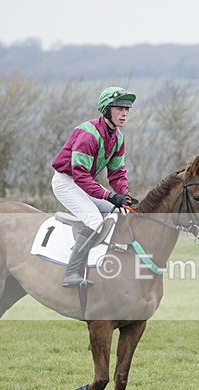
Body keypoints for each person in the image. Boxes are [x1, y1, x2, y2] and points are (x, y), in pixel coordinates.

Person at [51, 86, 138, 287]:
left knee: (122, 211)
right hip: (66, 182)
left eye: (127, 109)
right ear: (106, 109)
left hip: (85, 184)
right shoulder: (88, 134)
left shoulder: (118, 138)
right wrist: (109, 195)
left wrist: (124, 195)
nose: (124, 113)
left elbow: (117, 174)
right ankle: (71, 273)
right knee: (94, 220)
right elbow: (80, 176)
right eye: (119, 108)